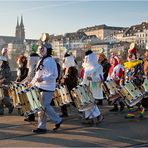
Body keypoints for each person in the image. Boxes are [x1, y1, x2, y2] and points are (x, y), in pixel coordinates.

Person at [29, 41, 62, 134]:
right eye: (40, 49)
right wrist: (32, 83)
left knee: (44, 106)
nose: (40, 50)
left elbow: (54, 75)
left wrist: (42, 78)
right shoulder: (41, 60)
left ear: (47, 50)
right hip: (40, 86)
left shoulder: (50, 61)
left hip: (48, 87)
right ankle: (45, 125)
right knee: (42, 107)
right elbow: (37, 74)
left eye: (42, 49)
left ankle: (55, 121)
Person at [81, 50, 104, 124]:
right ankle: (90, 118)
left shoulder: (98, 67)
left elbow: (101, 78)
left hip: (94, 86)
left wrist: (92, 79)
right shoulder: (86, 67)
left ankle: (98, 115)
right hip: (86, 87)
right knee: (86, 102)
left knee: (91, 102)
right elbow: (84, 78)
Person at [124, 44, 144, 118]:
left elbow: (141, 75)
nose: (130, 57)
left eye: (131, 55)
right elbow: (125, 74)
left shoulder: (138, 64)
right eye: (129, 56)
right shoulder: (127, 65)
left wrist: (134, 78)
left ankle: (141, 109)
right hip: (128, 84)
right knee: (129, 99)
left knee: (136, 99)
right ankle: (132, 113)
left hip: (135, 84)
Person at [60, 52, 78, 117]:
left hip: (71, 87)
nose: (63, 61)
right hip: (65, 87)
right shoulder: (65, 69)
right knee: (63, 100)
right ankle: (64, 113)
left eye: (65, 60)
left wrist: (64, 80)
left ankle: (84, 111)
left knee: (74, 102)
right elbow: (63, 77)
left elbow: (72, 79)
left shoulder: (73, 69)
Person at [0, 48, 14, 115]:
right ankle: (1, 110)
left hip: (5, 84)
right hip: (0, 83)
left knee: (4, 98)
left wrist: (3, 80)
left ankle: (10, 106)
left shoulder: (7, 68)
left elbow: (8, 77)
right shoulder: (0, 67)